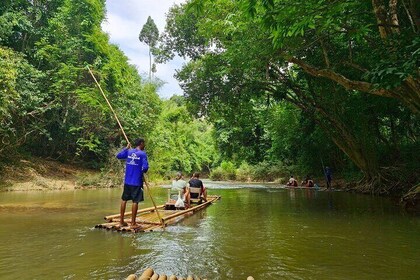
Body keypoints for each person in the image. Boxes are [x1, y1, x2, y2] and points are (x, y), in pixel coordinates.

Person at [116, 138, 149, 228]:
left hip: (127, 181)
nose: (144, 145)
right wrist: (141, 171)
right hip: (136, 181)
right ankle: (133, 223)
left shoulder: (129, 152)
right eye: (144, 143)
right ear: (141, 143)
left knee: (124, 199)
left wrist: (126, 148)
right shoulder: (143, 154)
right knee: (135, 201)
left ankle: (121, 221)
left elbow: (118, 156)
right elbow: (145, 168)